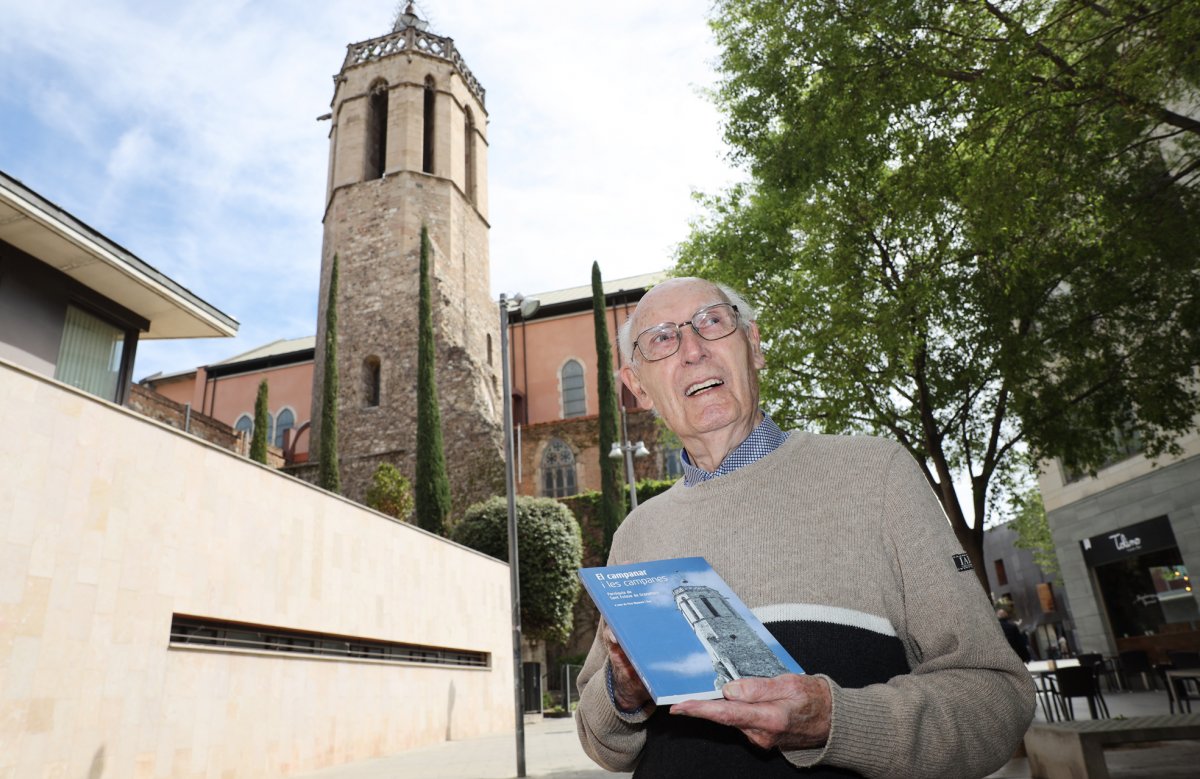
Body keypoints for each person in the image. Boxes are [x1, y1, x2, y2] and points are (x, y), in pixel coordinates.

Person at [574, 277, 1035, 778]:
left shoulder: (877, 475)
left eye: (711, 321)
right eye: (662, 338)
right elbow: (605, 746)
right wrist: (623, 689)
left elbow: (997, 699)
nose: (692, 350)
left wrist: (837, 720)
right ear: (638, 386)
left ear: (753, 345)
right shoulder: (636, 533)